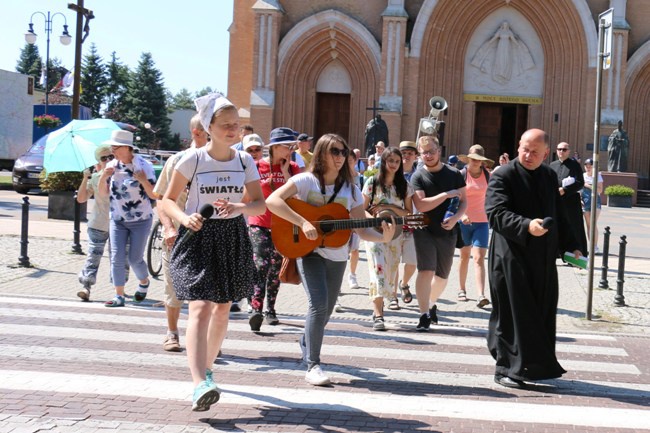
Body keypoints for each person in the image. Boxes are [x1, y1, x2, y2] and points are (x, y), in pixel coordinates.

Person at [162, 92, 265, 411]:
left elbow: (260, 203)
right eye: (226, 125)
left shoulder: (244, 160)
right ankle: (198, 383)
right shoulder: (191, 159)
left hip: (232, 235)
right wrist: (182, 218)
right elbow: (166, 200)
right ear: (209, 126)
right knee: (200, 307)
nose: (233, 130)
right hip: (198, 234)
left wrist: (241, 207)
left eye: (237, 124)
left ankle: (207, 370)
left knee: (222, 308)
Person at [266, 133, 396, 386]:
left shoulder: (351, 190)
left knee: (324, 312)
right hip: (308, 252)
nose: (340, 157)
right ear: (322, 153)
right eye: (334, 151)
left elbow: (361, 228)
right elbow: (273, 201)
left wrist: (383, 238)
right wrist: (302, 222)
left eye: (343, 152)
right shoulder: (305, 181)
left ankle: (306, 342)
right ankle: (313, 365)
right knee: (318, 304)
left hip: (337, 255)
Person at [485, 128, 581, 389]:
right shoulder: (503, 174)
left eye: (535, 152)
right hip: (509, 257)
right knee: (510, 313)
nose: (528, 155)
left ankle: (532, 367)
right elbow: (495, 213)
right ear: (518, 146)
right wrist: (527, 225)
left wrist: (572, 246)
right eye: (525, 149)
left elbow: (559, 214)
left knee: (538, 312)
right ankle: (505, 368)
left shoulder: (549, 175)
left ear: (546, 154)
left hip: (541, 259)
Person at [153, 114, 209, 352]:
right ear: (197, 133)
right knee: (173, 288)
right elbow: (161, 199)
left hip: (208, 237)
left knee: (206, 291)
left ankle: (203, 341)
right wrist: (168, 227)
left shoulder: (220, 162)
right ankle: (172, 332)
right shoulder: (177, 161)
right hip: (177, 236)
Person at [411, 135, 466, 331]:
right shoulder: (418, 176)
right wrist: (445, 195)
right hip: (424, 229)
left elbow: (464, 200)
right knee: (425, 270)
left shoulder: (455, 174)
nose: (428, 155)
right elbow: (421, 205)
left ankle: (431, 302)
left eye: (431, 151)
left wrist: (456, 218)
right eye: (424, 152)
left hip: (448, 231)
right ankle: (423, 313)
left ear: (439, 151)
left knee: (442, 276)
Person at [247, 128, 300, 332]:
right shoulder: (257, 166)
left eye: (292, 146)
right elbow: (248, 193)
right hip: (259, 221)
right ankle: (255, 308)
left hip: (282, 224)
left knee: (276, 268)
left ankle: (271, 309)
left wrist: (286, 175)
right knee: (260, 264)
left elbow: (297, 197)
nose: (290, 150)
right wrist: (264, 183)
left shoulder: (294, 168)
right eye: (287, 146)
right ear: (275, 147)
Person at [98, 130, 157, 308]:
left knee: (134, 259)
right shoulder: (111, 166)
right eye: (112, 147)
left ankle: (144, 281)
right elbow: (102, 194)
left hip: (141, 219)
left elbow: (154, 195)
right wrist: (103, 176)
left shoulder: (144, 166)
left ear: (127, 147)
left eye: (115, 147)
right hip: (117, 218)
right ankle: (119, 295)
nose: (112, 150)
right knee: (116, 257)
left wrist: (143, 180)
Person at [363, 147, 413, 329]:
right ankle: (378, 315)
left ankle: (381, 303)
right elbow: (361, 209)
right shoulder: (372, 182)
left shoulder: (404, 186)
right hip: (374, 234)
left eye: (397, 161)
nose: (393, 164)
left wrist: (390, 207)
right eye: (390, 160)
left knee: (390, 273)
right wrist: (373, 220)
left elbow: (409, 213)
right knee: (378, 271)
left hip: (395, 235)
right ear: (383, 161)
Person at [76, 145, 115, 301]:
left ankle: (119, 289)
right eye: (104, 158)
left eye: (111, 157)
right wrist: (85, 178)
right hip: (98, 224)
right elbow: (81, 198)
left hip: (118, 225)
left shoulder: (123, 177)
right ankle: (86, 287)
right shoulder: (95, 177)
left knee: (119, 258)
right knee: (93, 256)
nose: (108, 160)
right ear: (99, 161)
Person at [456, 144, 493, 308]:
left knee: (479, 258)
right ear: (468, 159)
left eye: (479, 160)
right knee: (464, 256)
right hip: (464, 221)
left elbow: (493, 196)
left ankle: (481, 295)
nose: (476, 162)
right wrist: (461, 214)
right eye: (473, 159)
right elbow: (454, 198)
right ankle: (461, 289)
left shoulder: (488, 176)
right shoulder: (461, 175)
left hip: (482, 222)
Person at [550, 142, 588, 256]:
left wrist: (565, 190)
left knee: (573, 227)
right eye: (559, 149)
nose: (561, 151)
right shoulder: (552, 165)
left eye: (564, 150)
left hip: (571, 202)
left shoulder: (575, 165)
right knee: (555, 226)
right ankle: (556, 253)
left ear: (568, 151)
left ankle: (576, 255)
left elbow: (580, 183)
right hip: (556, 201)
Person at [394, 141, 419, 304]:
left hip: (413, 224)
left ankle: (404, 284)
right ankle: (392, 297)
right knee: (394, 261)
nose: (406, 156)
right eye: (403, 152)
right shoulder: (392, 173)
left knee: (412, 262)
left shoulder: (421, 175)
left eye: (410, 153)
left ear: (416, 156)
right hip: (394, 224)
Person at [581, 158, 603, 253]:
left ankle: (595, 246)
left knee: (593, 223)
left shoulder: (597, 176)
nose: (588, 168)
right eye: (586, 166)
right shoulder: (582, 175)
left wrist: (587, 185)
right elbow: (579, 189)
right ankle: (591, 245)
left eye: (590, 166)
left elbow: (599, 190)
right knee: (588, 224)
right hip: (585, 201)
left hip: (595, 202)